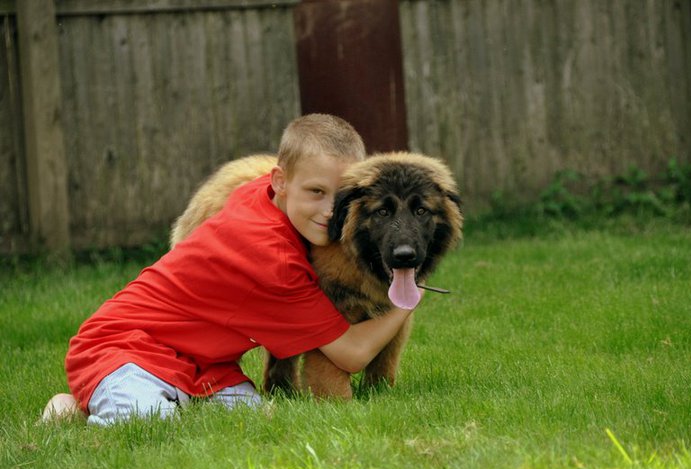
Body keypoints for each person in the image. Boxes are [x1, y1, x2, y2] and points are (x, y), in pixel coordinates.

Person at [42, 114, 420, 425]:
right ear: (280, 182)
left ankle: (114, 402)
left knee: (258, 420)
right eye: (316, 192)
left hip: (206, 365)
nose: (327, 211)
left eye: (340, 197)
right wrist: (406, 295)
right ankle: (69, 411)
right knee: (152, 427)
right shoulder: (273, 258)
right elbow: (351, 356)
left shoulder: (265, 194)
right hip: (126, 348)